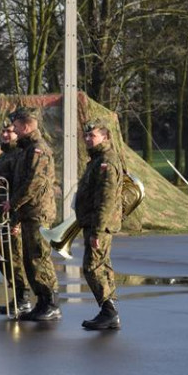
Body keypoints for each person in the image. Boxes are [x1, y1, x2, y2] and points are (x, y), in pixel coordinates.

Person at [8, 106, 60, 321]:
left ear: (27, 126)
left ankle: (51, 302)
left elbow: (34, 183)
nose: (14, 130)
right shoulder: (26, 150)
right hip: (29, 212)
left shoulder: (38, 149)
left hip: (38, 212)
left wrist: (13, 203)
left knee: (39, 256)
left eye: (17, 126)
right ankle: (42, 301)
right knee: (30, 258)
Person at [74, 121, 123, 330]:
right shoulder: (97, 160)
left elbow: (106, 199)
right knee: (102, 265)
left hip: (99, 224)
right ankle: (109, 311)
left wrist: (96, 229)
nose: (87, 139)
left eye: (92, 136)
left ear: (105, 137)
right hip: (95, 222)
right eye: (86, 136)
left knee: (92, 267)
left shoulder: (106, 162)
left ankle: (109, 311)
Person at [0, 121, 31, 315]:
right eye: (3, 131)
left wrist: (17, 220)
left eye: (10, 132)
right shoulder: (4, 155)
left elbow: (21, 188)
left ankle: (23, 298)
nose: (5, 135)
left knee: (14, 258)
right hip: (0, 216)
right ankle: (17, 296)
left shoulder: (19, 155)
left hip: (11, 217)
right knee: (4, 259)